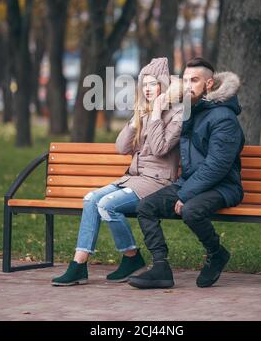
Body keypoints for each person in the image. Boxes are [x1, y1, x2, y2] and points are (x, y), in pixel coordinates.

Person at [51, 57, 183, 286]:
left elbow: (161, 148)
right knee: (91, 199)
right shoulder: (143, 112)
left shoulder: (178, 114)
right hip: (134, 179)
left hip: (158, 181)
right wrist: (136, 118)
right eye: (144, 84)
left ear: (163, 86)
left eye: (153, 84)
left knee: (106, 204)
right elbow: (121, 147)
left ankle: (131, 257)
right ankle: (79, 265)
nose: (147, 89)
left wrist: (155, 115)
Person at [128, 57, 245, 290]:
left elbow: (217, 165)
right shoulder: (191, 110)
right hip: (191, 183)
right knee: (145, 207)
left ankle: (216, 253)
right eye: (185, 80)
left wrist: (186, 194)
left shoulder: (224, 118)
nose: (188, 85)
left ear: (209, 83)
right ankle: (160, 267)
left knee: (191, 210)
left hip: (223, 186)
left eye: (194, 80)